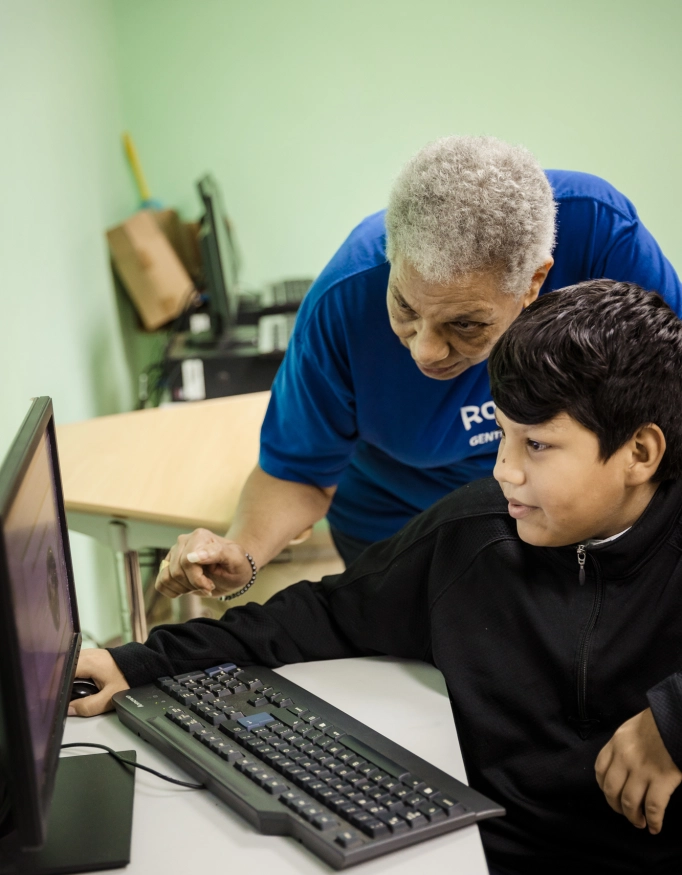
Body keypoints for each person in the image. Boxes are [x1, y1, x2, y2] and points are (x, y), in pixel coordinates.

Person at [75, 279, 682, 875]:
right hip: (499, 858)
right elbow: (319, 612)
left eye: (539, 445)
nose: (504, 468)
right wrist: (137, 661)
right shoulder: (475, 532)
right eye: (502, 433)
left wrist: (673, 718)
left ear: (640, 452)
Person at [155, 135, 682, 602]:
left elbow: (664, 411)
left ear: (534, 281)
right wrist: (242, 556)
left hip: (574, 518)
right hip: (400, 521)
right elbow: (298, 470)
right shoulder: (344, 303)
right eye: (405, 308)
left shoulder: (603, 240)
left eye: (466, 324)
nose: (426, 351)